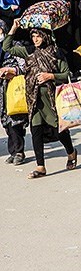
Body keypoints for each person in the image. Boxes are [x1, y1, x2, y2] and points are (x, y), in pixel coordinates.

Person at [4, 20, 78, 179]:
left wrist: (50, 76)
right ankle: (41, 166)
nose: (36, 39)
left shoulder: (56, 53)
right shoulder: (29, 51)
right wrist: (14, 28)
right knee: (35, 131)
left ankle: (71, 153)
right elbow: (7, 47)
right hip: (34, 98)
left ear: (45, 36)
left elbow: (66, 74)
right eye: (33, 36)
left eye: (38, 35)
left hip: (51, 98)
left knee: (60, 130)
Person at [0, 19, 27, 165]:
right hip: (0, 91)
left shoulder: (15, 46)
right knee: (5, 122)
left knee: (15, 121)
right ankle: (13, 151)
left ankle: (19, 151)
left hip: (13, 88)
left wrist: (12, 70)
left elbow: (25, 65)